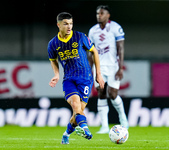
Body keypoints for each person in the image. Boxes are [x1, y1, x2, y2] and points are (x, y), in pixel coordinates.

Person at [48, 12, 104, 144]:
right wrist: (56, 74)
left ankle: (66, 134)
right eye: (66, 24)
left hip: (85, 79)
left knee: (77, 113)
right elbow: (53, 60)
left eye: (71, 23)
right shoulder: (53, 44)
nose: (69, 27)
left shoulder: (80, 37)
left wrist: (98, 74)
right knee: (75, 105)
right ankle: (86, 129)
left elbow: (94, 51)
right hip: (69, 80)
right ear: (58, 25)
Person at [88, 5, 129, 134]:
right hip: (99, 67)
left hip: (112, 66)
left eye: (101, 13)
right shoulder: (92, 31)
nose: (99, 15)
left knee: (112, 94)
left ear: (108, 15)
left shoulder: (116, 28)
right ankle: (104, 126)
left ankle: (123, 118)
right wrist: (90, 69)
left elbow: (120, 48)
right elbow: (90, 52)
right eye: (97, 13)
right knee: (101, 93)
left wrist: (120, 68)